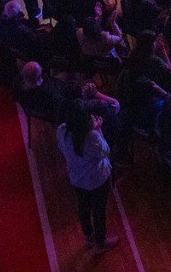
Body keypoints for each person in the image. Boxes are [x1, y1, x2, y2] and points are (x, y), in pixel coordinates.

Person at [55, 105, 121, 253]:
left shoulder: (61, 131)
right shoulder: (91, 137)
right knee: (99, 210)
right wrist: (97, 129)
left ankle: (89, 236)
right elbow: (105, 150)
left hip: (77, 179)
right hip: (97, 180)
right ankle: (101, 242)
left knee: (83, 207)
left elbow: (61, 147)